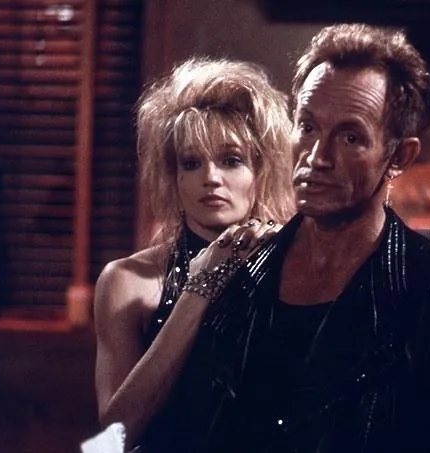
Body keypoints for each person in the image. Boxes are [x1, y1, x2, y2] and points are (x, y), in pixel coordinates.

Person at [136, 24, 430, 453]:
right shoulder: (236, 272)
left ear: (399, 156)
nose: (317, 156)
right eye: (307, 127)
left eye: (350, 137)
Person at [93, 57, 294, 449]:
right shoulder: (128, 281)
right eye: (192, 163)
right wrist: (199, 287)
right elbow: (113, 438)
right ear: (174, 177)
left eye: (231, 160)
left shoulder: (296, 267)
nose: (211, 178)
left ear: (260, 171)